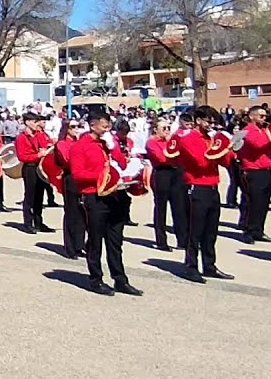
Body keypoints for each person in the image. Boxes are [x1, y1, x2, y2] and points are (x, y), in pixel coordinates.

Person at [69, 111, 142, 296]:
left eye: (108, 126)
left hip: (114, 194)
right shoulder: (80, 146)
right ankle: (96, 279)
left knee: (115, 240)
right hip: (95, 196)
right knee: (95, 241)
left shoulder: (107, 143)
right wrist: (103, 177)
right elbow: (78, 174)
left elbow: (122, 163)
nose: (107, 129)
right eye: (104, 126)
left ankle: (120, 279)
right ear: (93, 125)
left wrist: (113, 147)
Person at [172, 105, 235, 283]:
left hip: (213, 187)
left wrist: (229, 149)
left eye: (213, 122)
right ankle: (190, 266)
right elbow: (201, 161)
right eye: (208, 121)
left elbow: (224, 161)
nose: (210, 125)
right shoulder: (189, 138)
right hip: (196, 187)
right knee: (195, 231)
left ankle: (209, 265)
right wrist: (218, 149)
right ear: (198, 121)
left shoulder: (210, 138)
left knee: (211, 231)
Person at [235, 105, 271, 244]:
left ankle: (258, 230)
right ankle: (247, 230)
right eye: (261, 116)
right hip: (253, 171)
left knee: (263, 203)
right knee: (252, 202)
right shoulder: (248, 131)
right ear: (252, 116)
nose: (264, 118)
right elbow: (259, 145)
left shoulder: (263, 130)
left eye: (265, 116)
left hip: (266, 170)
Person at [145, 117, 187, 251]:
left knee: (179, 207)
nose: (167, 131)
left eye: (168, 128)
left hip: (176, 173)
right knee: (161, 208)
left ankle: (183, 240)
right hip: (162, 173)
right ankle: (161, 241)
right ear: (156, 129)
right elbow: (162, 158)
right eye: (164, 128)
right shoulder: (151, 143)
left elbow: (182, 155)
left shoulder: (173, 141)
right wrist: (171, 151)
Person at [13, 112, 54, 234]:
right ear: (27, 122)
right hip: (30, 167)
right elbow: (22, 156)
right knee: (30, 195)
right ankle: (28, 223)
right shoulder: (21, 137)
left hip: (40, 166)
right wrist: (37, 155)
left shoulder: (39, 135)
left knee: (39, 195)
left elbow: (45, 145)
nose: (37, 124)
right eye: (35, 122)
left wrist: (46, 149)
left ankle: (38, 221)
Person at [56, 119, 85, 259]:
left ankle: (80, 245)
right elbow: (67, 160)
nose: (76, 129)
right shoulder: (62, 144)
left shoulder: (78, 143)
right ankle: (70, 247)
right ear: (66, 129)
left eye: (77, 126)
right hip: (70, 177)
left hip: (81, 177)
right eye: (73, 127)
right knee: (71, 212)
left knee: (82, 213)